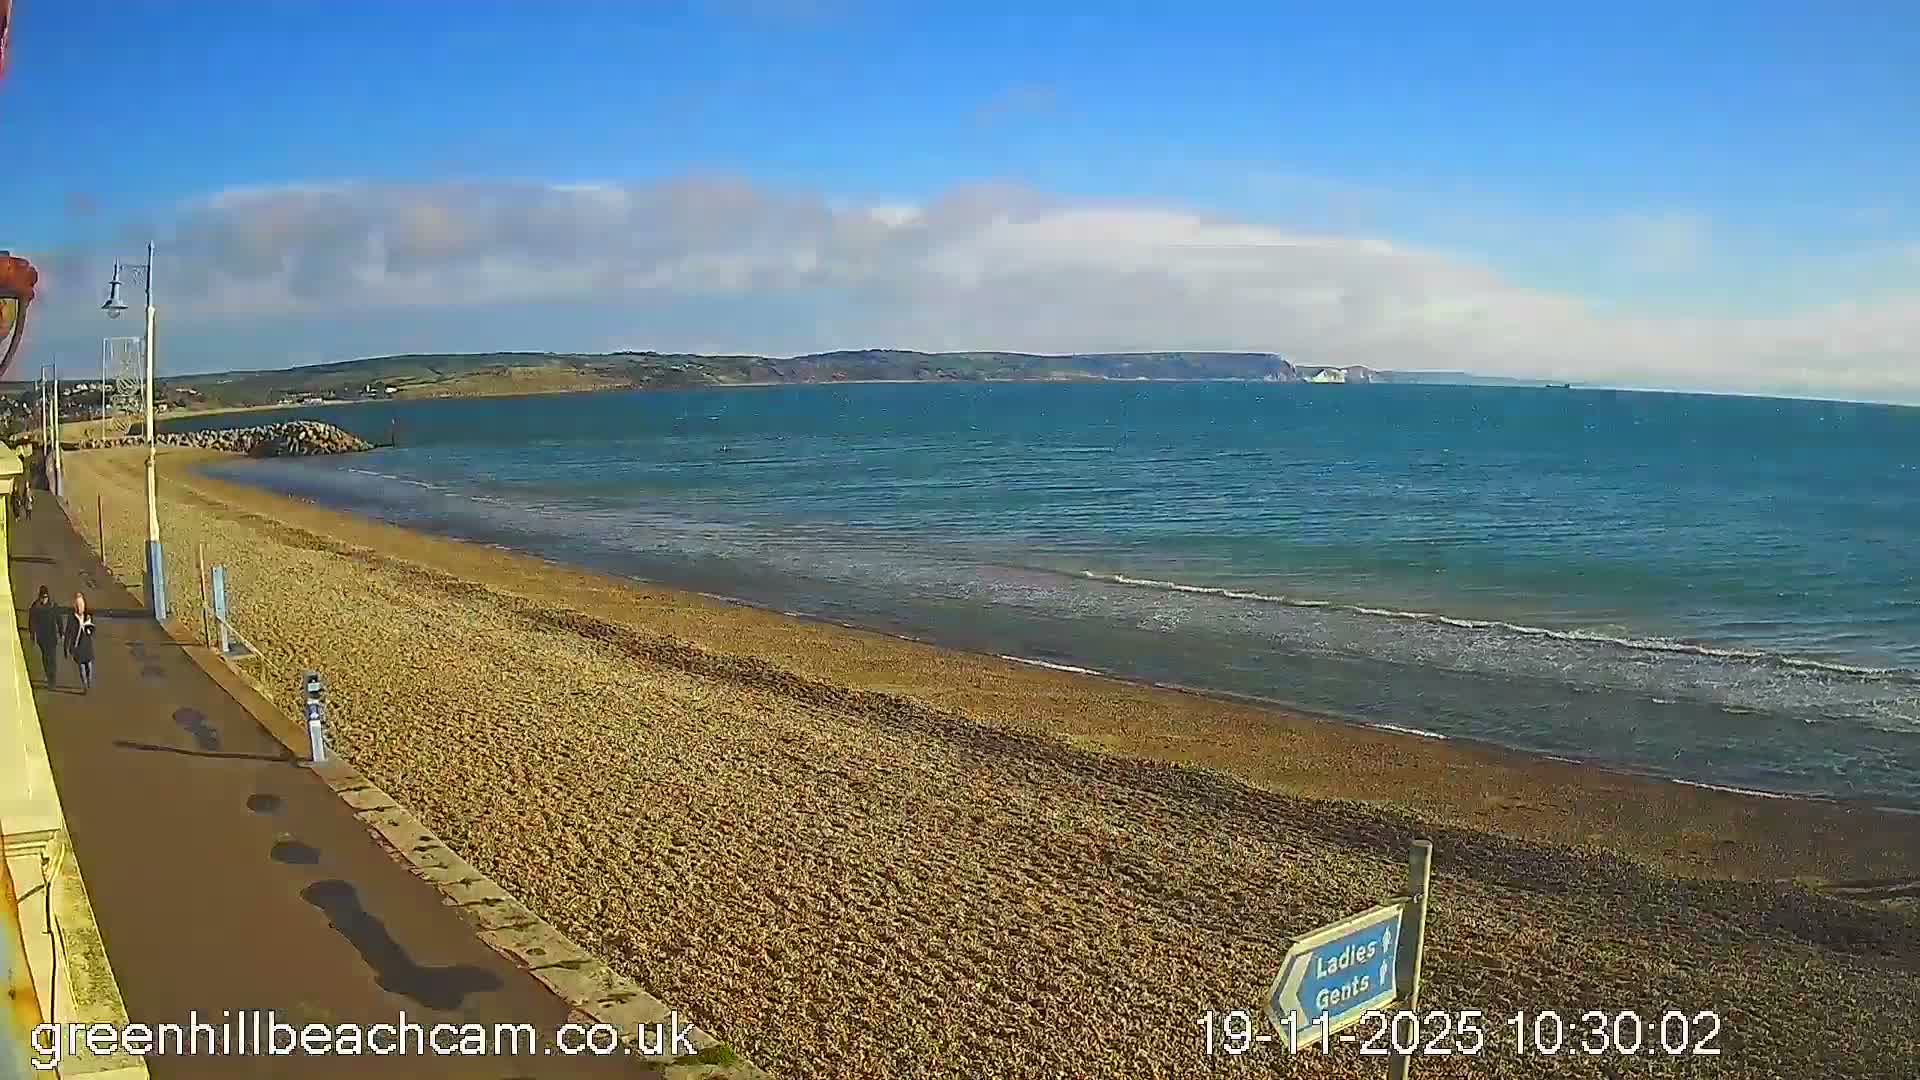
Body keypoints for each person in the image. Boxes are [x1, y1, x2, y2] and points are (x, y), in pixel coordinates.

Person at [26, 585, 60, 686]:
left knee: (52, 657)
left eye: (46, 597)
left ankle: (52, 677)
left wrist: (61, 631)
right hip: (42, 637)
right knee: (45, 657)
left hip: (52, 636)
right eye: (43, 597)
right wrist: (32, 635)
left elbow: (59, 619)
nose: (44, 599)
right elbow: (31, 622)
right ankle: (49, 676)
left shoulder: (53, 606)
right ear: (39, 597)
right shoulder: (35, 607)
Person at [66, 592, 95, 693]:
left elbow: (92, 630)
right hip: (78, 646)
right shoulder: (72, 618)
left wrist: (89, 628)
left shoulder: (88, 616)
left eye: (81, 606)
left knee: (89, 667)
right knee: (82, 667)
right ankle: (85, 685)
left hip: (86, 645)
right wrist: (67, 647)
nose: (80, 608)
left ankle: (89, 682)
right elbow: (68, 633)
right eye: (78, 606)